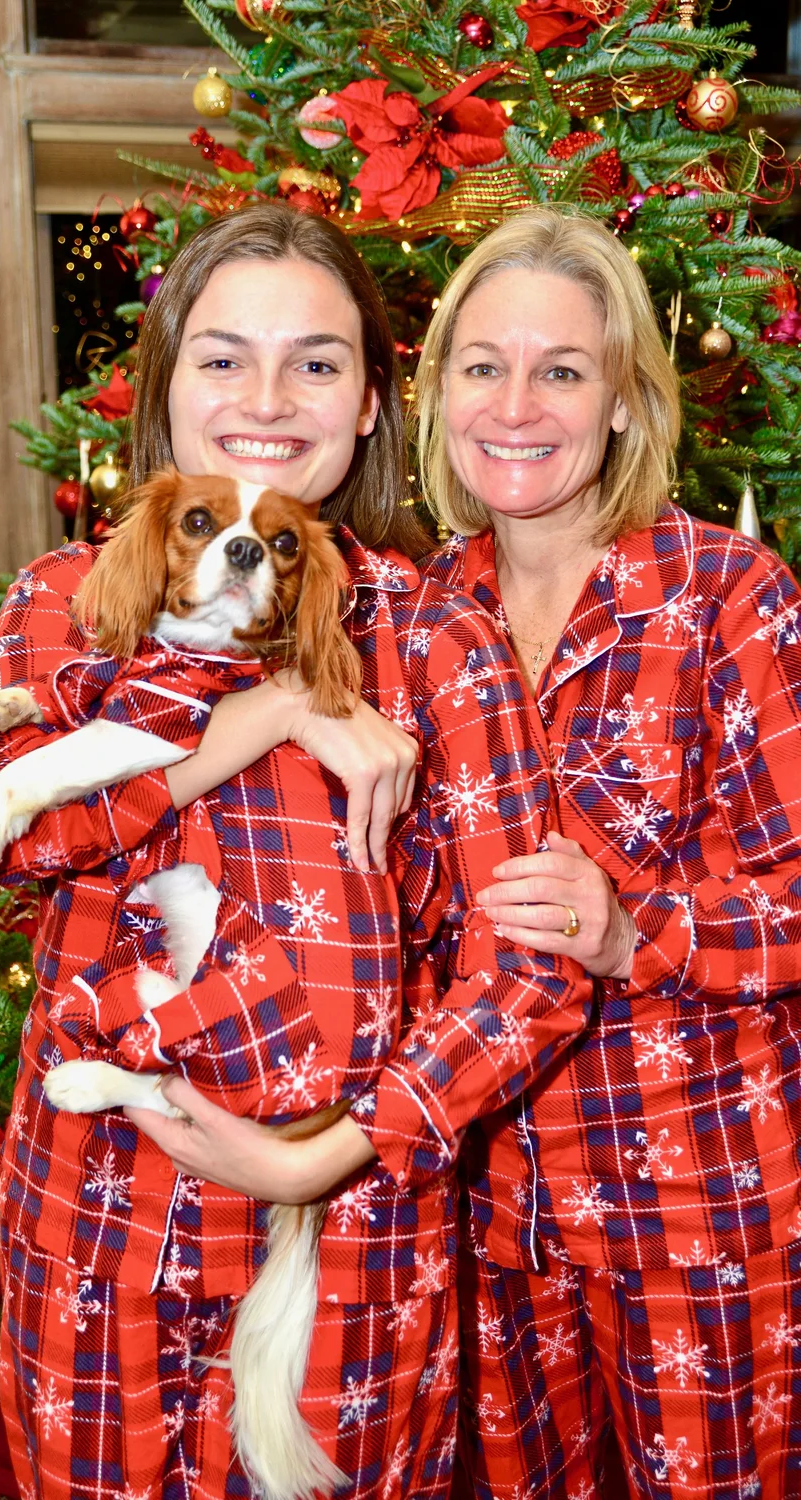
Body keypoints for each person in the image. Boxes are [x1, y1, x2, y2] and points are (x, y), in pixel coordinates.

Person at [0, 203, 591, 1500]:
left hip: (351, 1228)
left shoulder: (439, 643)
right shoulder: (67, 598)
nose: (268, 396)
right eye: (223, 355)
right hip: (104, 1208)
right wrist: (277, 710)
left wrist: (327, 1152)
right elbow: (22, 848)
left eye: (316, 360)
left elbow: (532, 970)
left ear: (368, 402)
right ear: (166, 383)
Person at [408, 205, 801, 1499]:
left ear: (624, 401)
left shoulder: (729, 595)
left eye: (562, 370)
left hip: (696, 1205)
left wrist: (642, 931)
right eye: (484, 365)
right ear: (438, 392)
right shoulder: (416, 614)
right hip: (488, 1208)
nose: (516, 404)